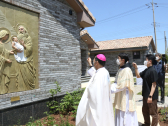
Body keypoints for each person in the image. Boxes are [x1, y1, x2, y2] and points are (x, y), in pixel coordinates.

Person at [76, 54, 114, 126]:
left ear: (97, 62)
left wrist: (88, 89)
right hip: (104, 101)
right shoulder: (105, 72)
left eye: (93, 61)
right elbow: (94, 74)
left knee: (95, 121)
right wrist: (90, 64)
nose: (93, 63)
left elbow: (94, 90)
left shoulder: (100, 74)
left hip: (97, 104)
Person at [111, 53, 138, 126]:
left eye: (118, 58)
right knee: (119, 112)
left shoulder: (127, 70)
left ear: (123, 60)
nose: (117, 60)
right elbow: (116, 82)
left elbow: (123, 85)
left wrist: (111, 89)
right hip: (119, 94)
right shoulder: (120, 69)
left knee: (125, 113)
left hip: (125, 96)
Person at [132, 54, 158, 126]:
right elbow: (138, 76)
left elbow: (154, 84)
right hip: (145, 95)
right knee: (145, 111)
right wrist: (136, 68)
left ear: (150, 61)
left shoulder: (153, 71)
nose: (145, 61)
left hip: (151, 96)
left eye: (146, 59)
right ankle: (147, 124)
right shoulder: (146, 70)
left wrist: (150, 96)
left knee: (153, 113)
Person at [16, 25, 36, 90]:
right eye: (19, 29)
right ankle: (20, 88)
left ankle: (30, 87)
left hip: (27, 59)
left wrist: (24, 45)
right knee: (20, 75)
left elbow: (30, 48)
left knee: (28, 74)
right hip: (19, 59)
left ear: (24, 30)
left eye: (21, 29)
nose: (20, 30)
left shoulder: (28, 38)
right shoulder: (16, 37)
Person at [0, 30, 14, 94]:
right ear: (2, 35)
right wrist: (6, 60)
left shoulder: (1, 43)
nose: (7, 37)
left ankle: (3, 90)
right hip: (1, 64)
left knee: (3, 77)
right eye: (6, 35)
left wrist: (9, 52)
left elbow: (4, 51)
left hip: (3, 64)